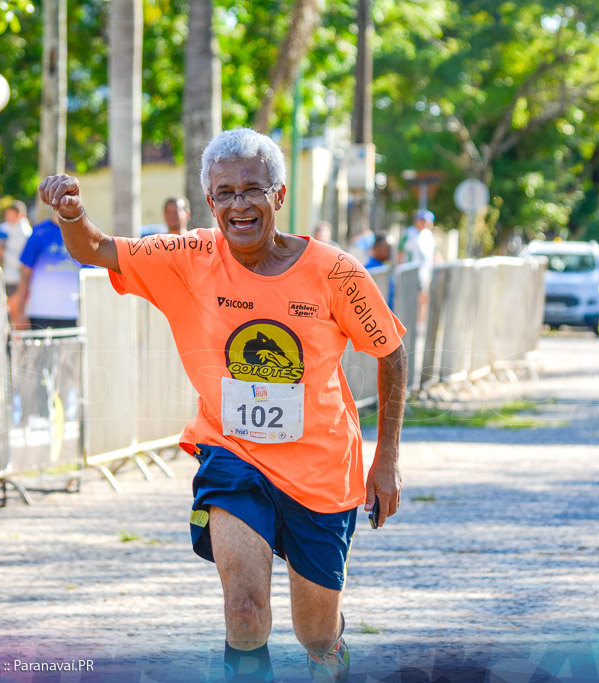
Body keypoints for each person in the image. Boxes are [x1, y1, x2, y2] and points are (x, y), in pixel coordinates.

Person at [38, 127, 408, 683]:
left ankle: (330, 654)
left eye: (252, 190)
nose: (239, 204)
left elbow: (391, 351)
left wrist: (386, 460)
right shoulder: (188, 256)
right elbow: (95, 248)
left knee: (315, 632)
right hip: (233, 454)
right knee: (244, 613)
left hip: (322, 470)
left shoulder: (335, 271)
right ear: (209, 200)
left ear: (279, 196)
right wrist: (70, 213)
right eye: (225, 193)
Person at [9, 209, 88, 330]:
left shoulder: (82, 233)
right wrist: (20, 313)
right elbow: (25, 274)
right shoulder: (39, 232)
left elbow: (89, 276)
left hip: (70, 312)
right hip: (39, 312)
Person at [0, 200, 32, 297]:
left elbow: (23, 261)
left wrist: (3, 252)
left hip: (17, 279)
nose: (7, 218)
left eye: (10, 215)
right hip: (11, 277)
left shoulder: (24, 233)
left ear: (20, 215)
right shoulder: (13, 229)